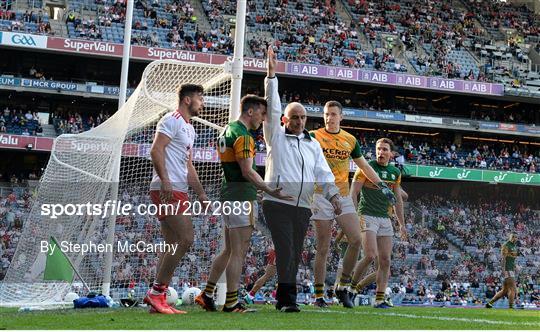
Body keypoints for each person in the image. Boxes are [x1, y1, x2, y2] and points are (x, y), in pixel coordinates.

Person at [195, 95, 291, 313]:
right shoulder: (244, 136)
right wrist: (267, 189)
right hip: (240, 197)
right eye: (261, 113)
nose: (263, 118)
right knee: (238, 251)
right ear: (250, 111)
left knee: (229, 250)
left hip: (228, 193)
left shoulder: (228, 130)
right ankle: (231, 302)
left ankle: (207, 294)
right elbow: (247, 171)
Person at [262, 46, 341, 313]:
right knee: (286, 249)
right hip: (277, 202)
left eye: (303, 117)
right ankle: (288, 300)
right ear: (286, 119)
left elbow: (324, 173)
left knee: (295, 252)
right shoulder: (274, 136)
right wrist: (271, 77)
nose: (299, 120)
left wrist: (333, 195)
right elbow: (272, 109)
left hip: (303, 206)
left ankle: (282, 297)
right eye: (294, 117)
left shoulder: (312, 144)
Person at [310, 101, 396, 308]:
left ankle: (342, 286)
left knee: (356, 240)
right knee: (323, 247)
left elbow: (364, 165)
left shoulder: (350, 139)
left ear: (341, 116)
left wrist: (382, 185)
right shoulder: (313, 136)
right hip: (319, 195)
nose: (329, 118)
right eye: (326, 114)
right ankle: (319, 296)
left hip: (342, 195)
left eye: (333, 114)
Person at [143, 83, 209, 314]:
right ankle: (156, 293)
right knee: (186, 238)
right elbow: (155, 150)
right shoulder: (170, 120)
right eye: (200, 98)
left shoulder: (189, 128)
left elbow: (188, 165)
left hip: (177, 188)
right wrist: (166, 181)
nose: (203, 102)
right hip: (167, 188)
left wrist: (200, 194)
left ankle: (156, 300)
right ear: (187, 100)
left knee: (171, 244)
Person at [350, 138, 406, 309]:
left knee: (385, 261)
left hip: (385, 218)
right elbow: (354, 193)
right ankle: (350, 289)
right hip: (366, 215)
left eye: (384, 149)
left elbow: (397, 200)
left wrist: (402, 224)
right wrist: (352, 216)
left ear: (391, 153)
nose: (381, 152)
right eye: (378, 149)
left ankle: (380, 299)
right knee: (369, 255)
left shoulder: (395, 172)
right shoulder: (366, 167)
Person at [486, 233, 519, 309]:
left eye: (516, 237)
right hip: (507, 269)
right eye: (514, 237)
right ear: (510, 237)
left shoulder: (514, 246)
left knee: (504, 291)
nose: (515, 238)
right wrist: (503, 269)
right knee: (513, 289)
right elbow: (503, 258)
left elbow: (511, 259)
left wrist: (515, 266)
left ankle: (489, 304)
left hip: (511, 269)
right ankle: (511, 307)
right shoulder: (506, 245)